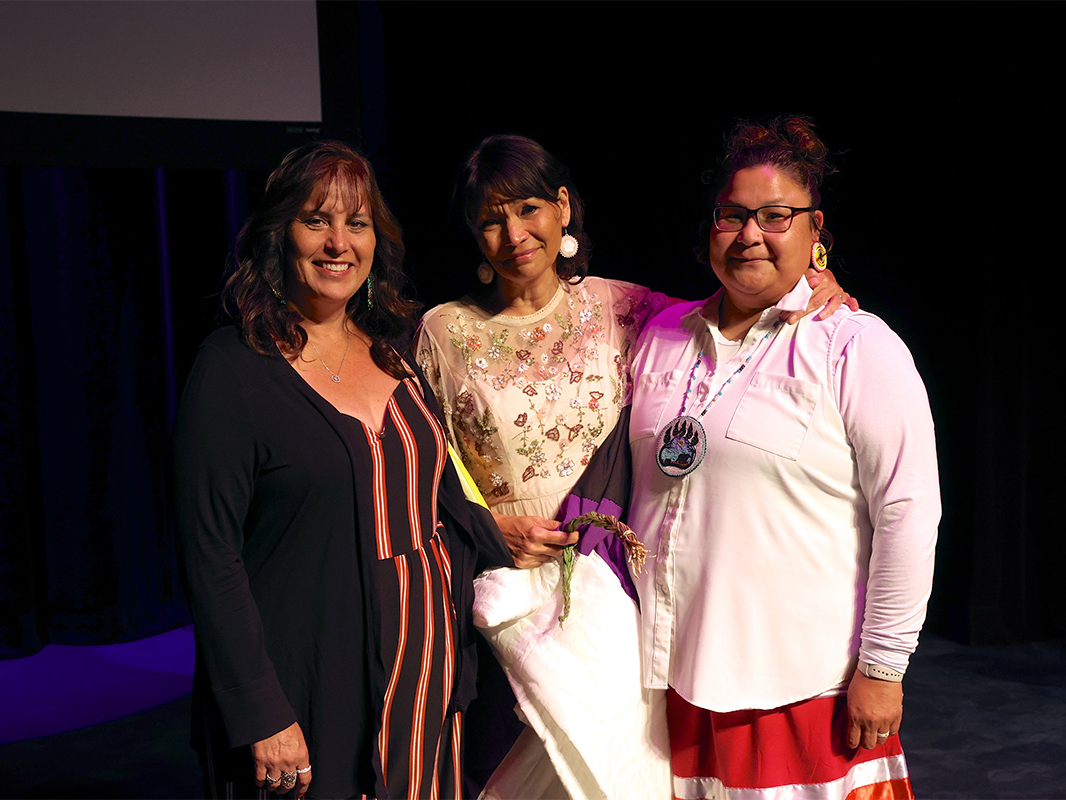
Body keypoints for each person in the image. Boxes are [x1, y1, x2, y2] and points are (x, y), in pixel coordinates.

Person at [414, 134, 856, 797]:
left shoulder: (628, 308)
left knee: (616, 778)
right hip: (505, 597)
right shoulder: (442, 332)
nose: (513, 234)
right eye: (490, 218)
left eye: (528, 208)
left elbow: (738, 314)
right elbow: (419, 474)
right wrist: (486, 531)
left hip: (616, 599)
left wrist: (817, 277)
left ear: (562, 207)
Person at [585, 115, 939, 798]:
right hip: (672, 681)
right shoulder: (660, 334)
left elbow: (908, 512)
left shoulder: (855, 347)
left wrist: (884, 667)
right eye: (733, 215)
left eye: (776, 216)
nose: (750, 234)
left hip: (803, 687)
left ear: (816, 232)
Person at [174, 141, 514, 800]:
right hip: (309, 675)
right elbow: (208, 553)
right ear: (280, 235)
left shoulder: (393, 353)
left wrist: (506, 537)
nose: (337, 243)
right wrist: (261, 711)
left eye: (356, 224)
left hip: (424, 676)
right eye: (315, 220)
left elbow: (433, 496)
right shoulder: (233, 369)